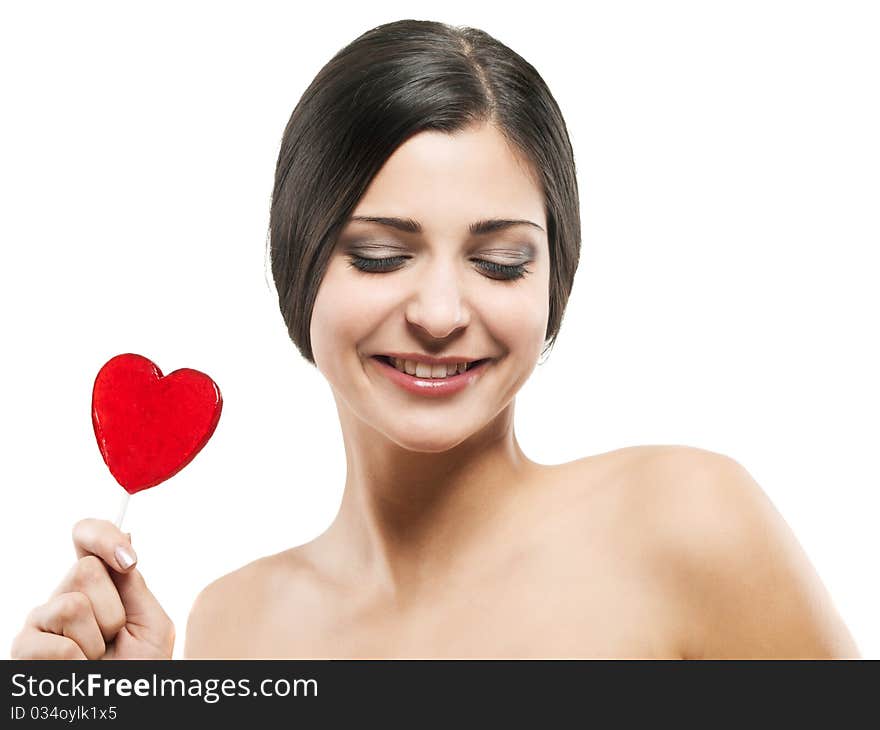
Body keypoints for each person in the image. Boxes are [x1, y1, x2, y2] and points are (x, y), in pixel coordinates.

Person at [10, 19, 860, 660]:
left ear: (554, 278)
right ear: (298, 263)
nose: (443, 312)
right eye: (381, 255)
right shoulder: (232, 627)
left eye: (499, 261)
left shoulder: (686, 518)